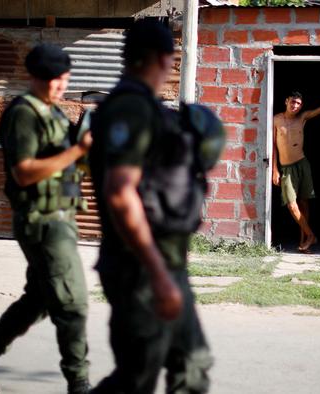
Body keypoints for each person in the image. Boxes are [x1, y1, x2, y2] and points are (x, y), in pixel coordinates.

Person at [88, 19, 219, 394]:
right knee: (136, 380)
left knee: (192, 367)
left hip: (163, 264)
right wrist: (158, 274)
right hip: (141, 271)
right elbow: (120, 192)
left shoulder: (145, 108)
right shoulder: (129, 109)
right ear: (164, 59)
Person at [0, 43, 92, 394]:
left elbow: (70, 165)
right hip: (41, 220)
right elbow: (24, 173)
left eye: (63, 79)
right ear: (34, 77)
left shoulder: (57, 114)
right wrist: (77, 150)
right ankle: (79, 384)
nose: (58, 86)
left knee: (39, 300)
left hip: (62, 217)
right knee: (71, 302)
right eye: (51, 80)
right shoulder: (24, 113)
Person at [272, 83, 320, 253]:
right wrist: (275, 170)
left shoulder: (302, 118)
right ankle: (311, 236)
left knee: (304, 203)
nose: (295, 106)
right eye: (293, 102)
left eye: (299, 104)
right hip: (286, 167)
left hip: (302, 163)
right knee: (291, 205)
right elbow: (272, 145)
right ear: (286, 101)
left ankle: (303, 242)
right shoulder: (276, 119)